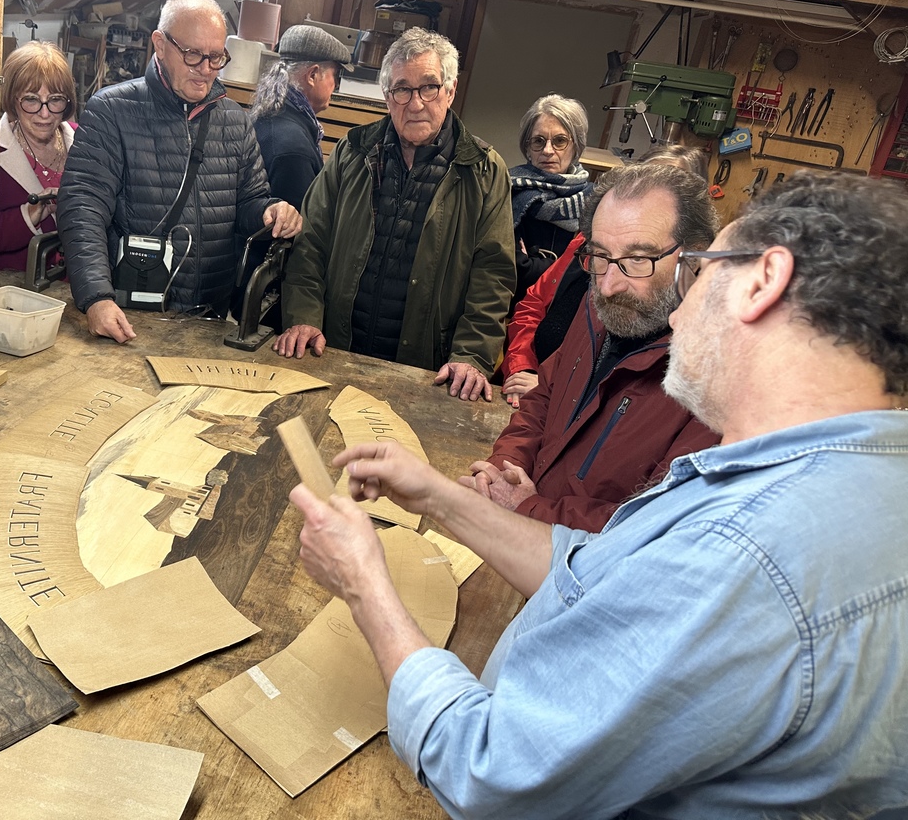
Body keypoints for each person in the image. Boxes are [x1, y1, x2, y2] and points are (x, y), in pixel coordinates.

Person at [289, 169, 908, 819]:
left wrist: (364, 584)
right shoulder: (839, 481)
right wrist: (440, 496)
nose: (682, 308)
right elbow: (598, 574)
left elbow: (489, 772)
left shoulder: (742, 550)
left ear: (763, 282)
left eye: (700, 273)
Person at [473, 160, 720, 530]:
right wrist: (505, 469)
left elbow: (657, 525)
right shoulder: (599, 304)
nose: (608, 286)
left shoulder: (718, 383)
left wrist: (530, 509)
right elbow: (544, 397)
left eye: (638, 259)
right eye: (600, 255)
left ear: (695, 259)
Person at [273, 28, 515, 402]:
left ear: (450, 91)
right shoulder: (353, 151)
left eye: (429, 87)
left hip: (426, 371)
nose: (415, 104)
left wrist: (471, 355)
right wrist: (303, 317)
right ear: (387, 96)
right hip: (333, 353)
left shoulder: (484, 170)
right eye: (402, 89)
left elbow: (492, 276)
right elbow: (311, 243)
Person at [57, 0, 302, 342]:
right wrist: (96, 297)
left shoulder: (235, 120)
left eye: (216, 57)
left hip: (210, 317)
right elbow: (83, 207)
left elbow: (249, 201)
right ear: (160, 45)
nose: (206, 70)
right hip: (130, 316)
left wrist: (271, 210)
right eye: (193, 55)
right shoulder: (111, 111)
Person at [500, 144, 709, 408]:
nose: (608, 286)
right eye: (640, 183)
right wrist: (522, 366)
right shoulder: (585, 243)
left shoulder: (682, 313)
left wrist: (551, 390)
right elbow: (533, 304)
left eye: (638, 258)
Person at [249, 24, 353, 208]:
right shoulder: (293, 148)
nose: (336, 85)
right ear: (312, 75)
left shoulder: (270, 114)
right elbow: (302, 219)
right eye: (335, 75)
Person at [0, 41, 77, 272]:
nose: (45, 113)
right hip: (16, 286)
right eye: (31, 99)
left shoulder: (85, 142)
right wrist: (27, 215)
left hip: (77, 285)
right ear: (13, 100)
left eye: (55, 99)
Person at [509, 94, 592, 299]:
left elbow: (591, 274)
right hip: (514, 307)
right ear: (528, 148)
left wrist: (538, 265)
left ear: (576, 146)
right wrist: (566, 267)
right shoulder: (508, 191)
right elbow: (513, 271)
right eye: (538, 141)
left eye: (560, 141)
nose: (547, 150)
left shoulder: (594, 200)